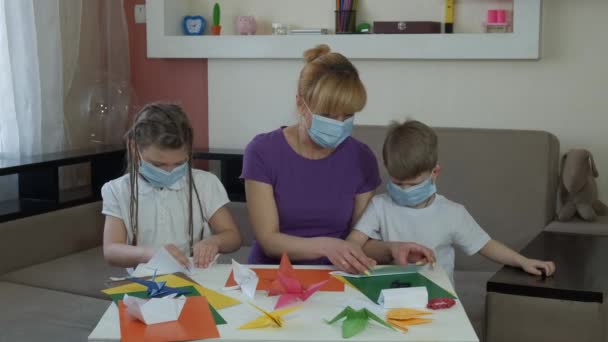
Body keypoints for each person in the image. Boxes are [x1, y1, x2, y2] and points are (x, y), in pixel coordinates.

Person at [241, 45, 435, 274]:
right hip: (271, 276)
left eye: (348, 115)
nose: (340, 123)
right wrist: (327, 246)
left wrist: (394, 250)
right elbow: (269, 241)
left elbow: (360, 241)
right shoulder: (262, 151)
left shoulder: (361, 158)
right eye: (328, 115)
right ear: (301, 104)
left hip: (338, 276)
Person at [347, 120, 555, 283]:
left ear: (435, 172)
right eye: (398, 183)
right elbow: (355, 242)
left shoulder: (452, 213)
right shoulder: (379, 206)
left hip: (439, 299)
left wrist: (523, 262)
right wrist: (355, 257)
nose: (405, 190)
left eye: (413, 184)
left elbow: (486, 245)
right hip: (390, 295)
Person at [102, 103, 242, 269]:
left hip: (199, 277)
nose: (169, 171)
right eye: (158, 165)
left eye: (179, 163)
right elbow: (111, 250)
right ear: (134, 148)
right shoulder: (117, 190)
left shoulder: (205, 184)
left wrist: (214, 241)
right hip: (145, 282)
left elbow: (233, 237)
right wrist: (151, 254)